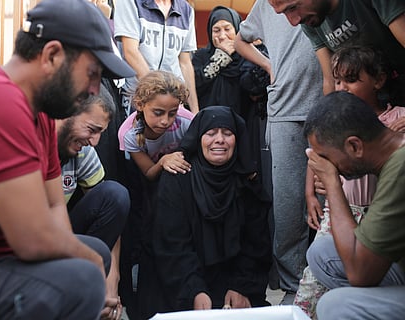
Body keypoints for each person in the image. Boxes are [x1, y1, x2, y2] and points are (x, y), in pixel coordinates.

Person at [0, 0, 135, 318]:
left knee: (92, 256)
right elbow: (33, 240)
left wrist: (90, 265)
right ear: (51, 55)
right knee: (83, 274)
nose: (94, 90)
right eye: (92, 74)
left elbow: (54, 210)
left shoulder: (41, 118)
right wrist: (90, 273)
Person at [295, 45, 405, 319]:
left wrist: (332, 183)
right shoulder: (392, 153)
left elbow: (361, 274)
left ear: (355, 146)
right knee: (321, 252)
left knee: (336, 305)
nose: (329, 167)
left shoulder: (400, 168)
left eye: (329, 159)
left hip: (370, 271)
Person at [234, 0, 323, 296]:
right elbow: (240, 40)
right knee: (287, 204)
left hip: (327, 103)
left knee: (328, 198)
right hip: (284, 107)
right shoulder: (265, 5)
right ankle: (291, 285)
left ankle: (329, 279)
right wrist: (270, 65)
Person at [149, 106, 271, 317]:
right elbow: (172, 244)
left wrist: (241, 287)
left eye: (228, 133)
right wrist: (194, 290)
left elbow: (257, 243)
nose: (220, 140)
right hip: (184, 281)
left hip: (233, 283)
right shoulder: (178, 177)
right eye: (211, 133)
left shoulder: (246, 181)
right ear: (198, 138)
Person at [117, 70, 192, 319]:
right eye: (158, 113)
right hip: (149, 181)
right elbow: (148, 172)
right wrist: (164, 161)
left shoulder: (186, 123)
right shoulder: (130, 135)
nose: (166, 121)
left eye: (172, 113)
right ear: (140, 104)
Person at [56, 88, 130, 320]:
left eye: (101, 133)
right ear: (66, 114)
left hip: (60, 235)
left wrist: (111, 276)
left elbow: (110, 206)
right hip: (23, 240)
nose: (94, 141)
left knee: (115, 194)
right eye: (91, 130)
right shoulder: (32, 144)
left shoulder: (82, 151)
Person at [267, 0, 405, 101]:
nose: (293, 21)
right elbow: (330, 80)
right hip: (377, 103)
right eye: (284, 13)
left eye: (292, 8)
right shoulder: (311, 20)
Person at [114, 0, 199, 115]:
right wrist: (160, 95)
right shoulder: (130, 2)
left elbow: (185, 63)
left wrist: (195, 111)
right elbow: (131, 52)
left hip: (174, 104)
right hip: (139, 100)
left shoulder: (186, 9)